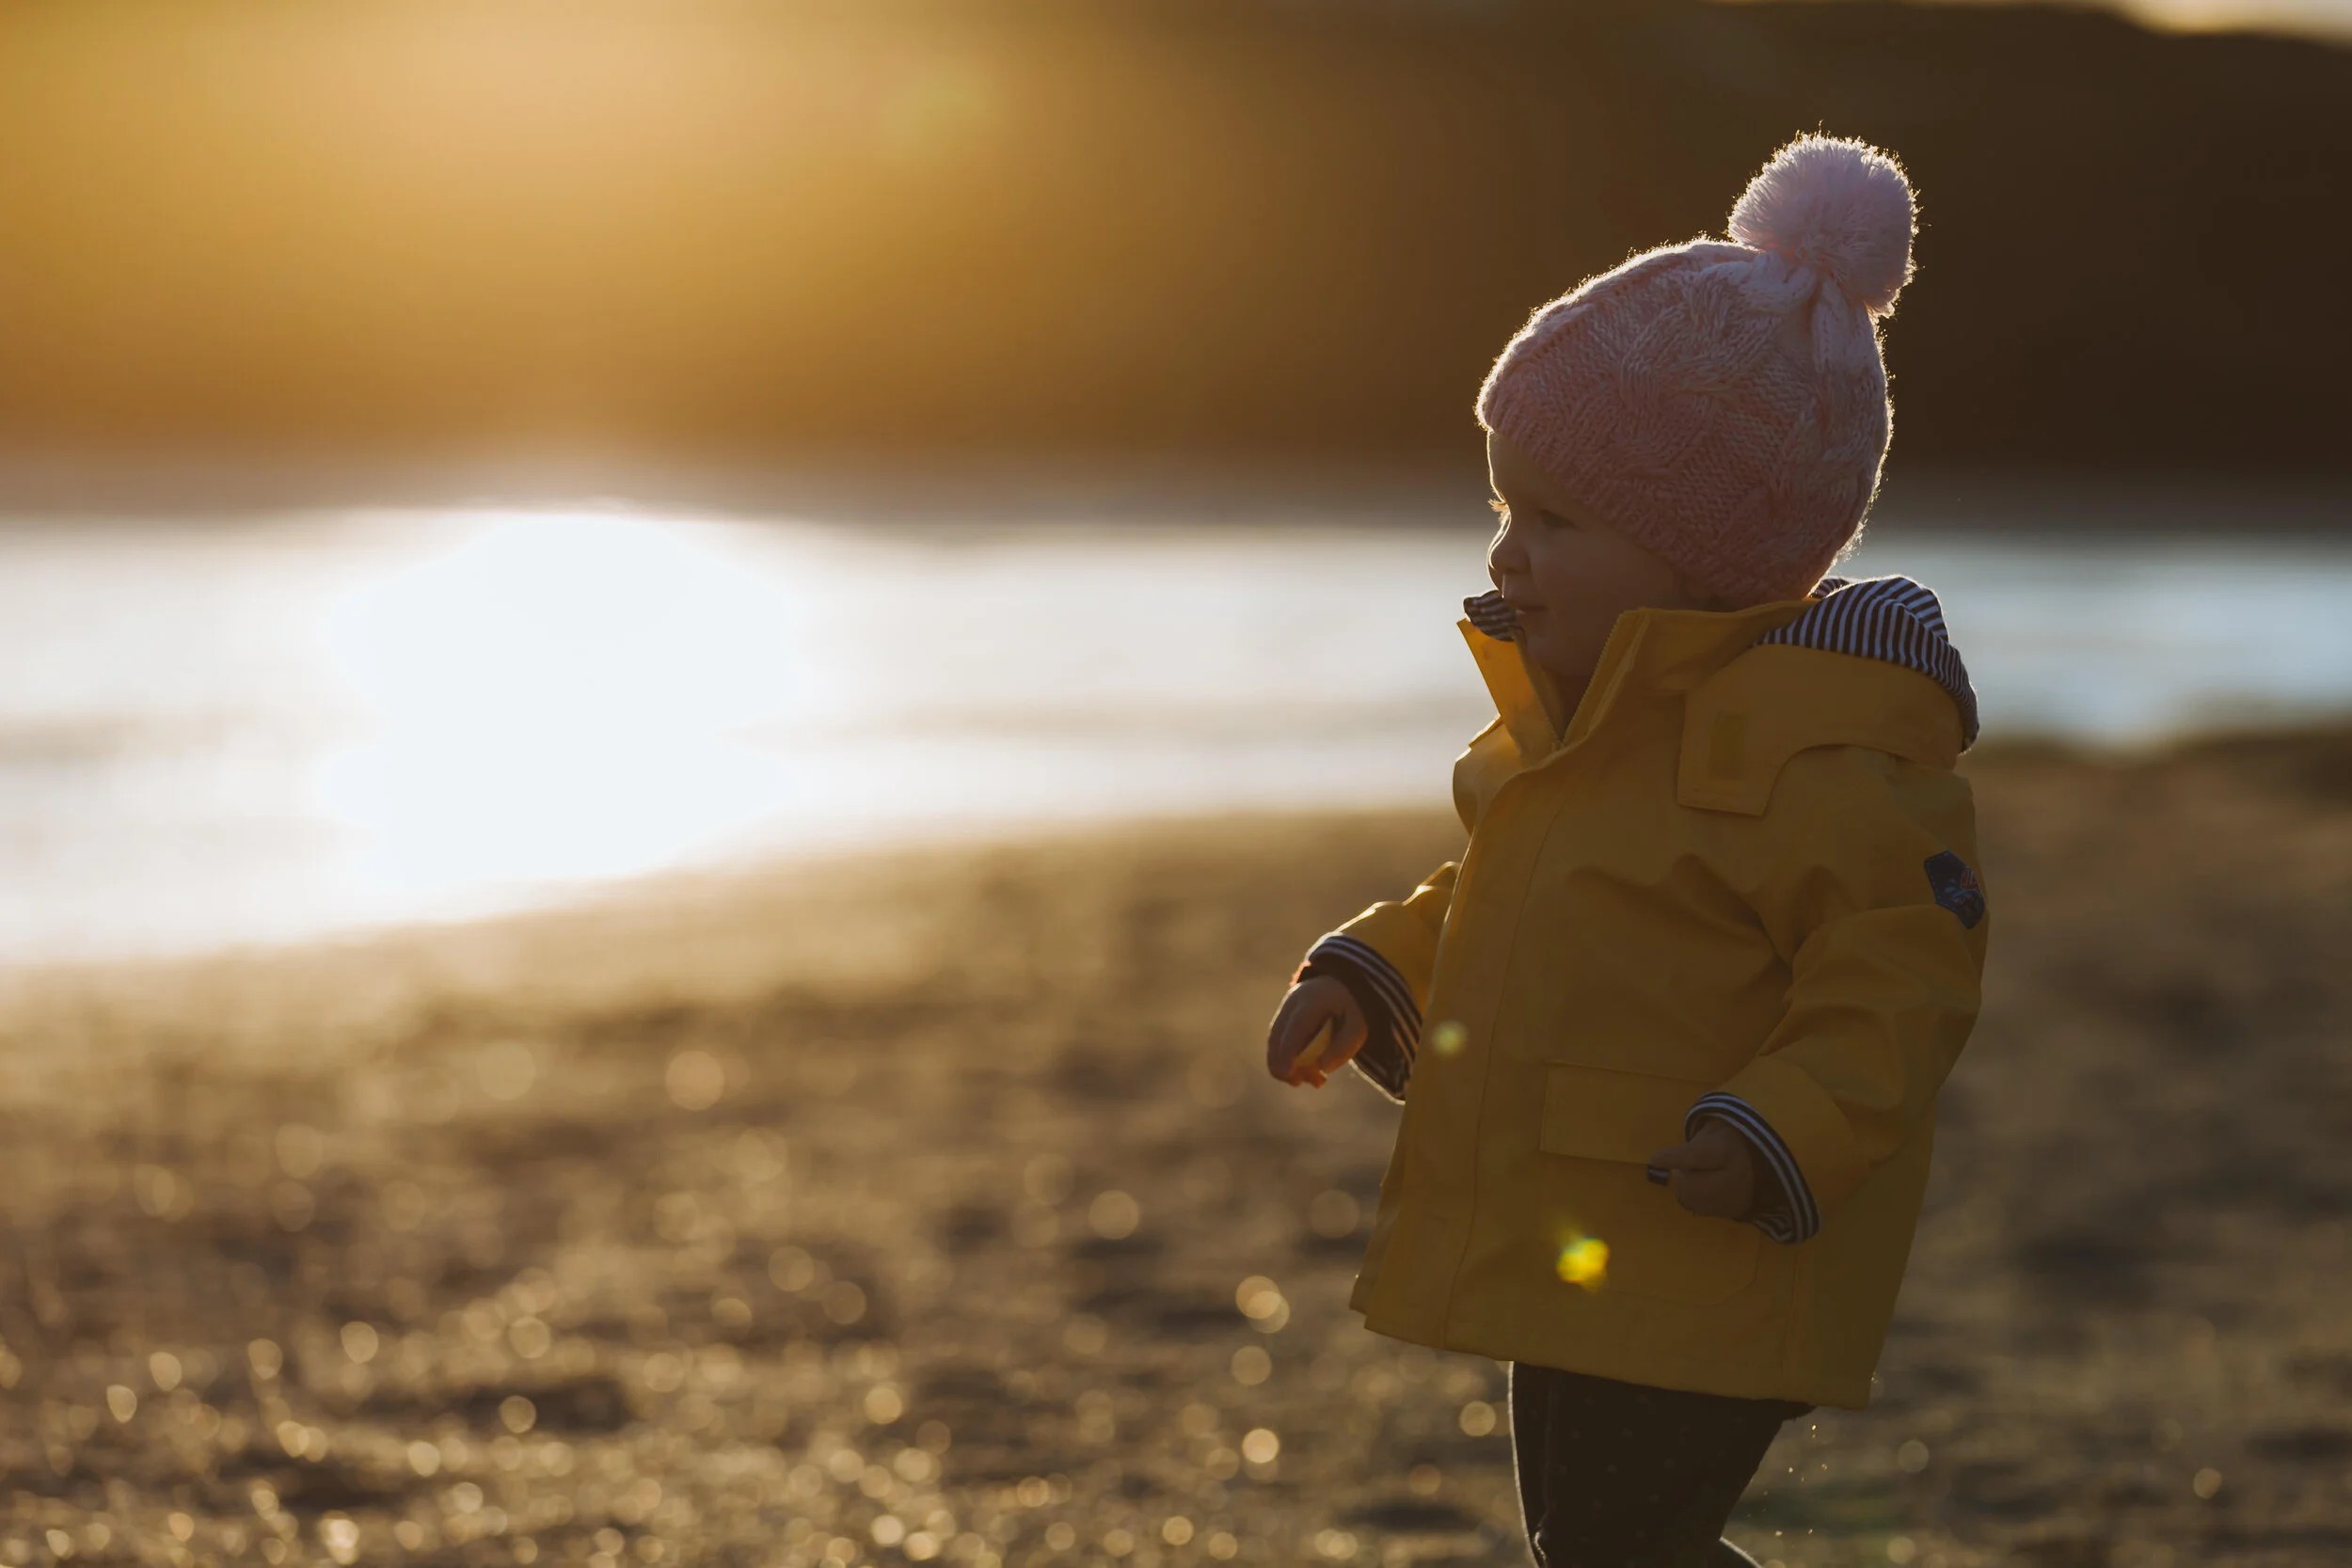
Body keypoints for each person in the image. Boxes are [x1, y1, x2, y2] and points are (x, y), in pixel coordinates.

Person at [1263, 135, 1989, 1567]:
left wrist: (1778, 1123)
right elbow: (1501, 899)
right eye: (1500, 510)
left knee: (1612, 1543)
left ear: (1701, 551)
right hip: (1587, 1220)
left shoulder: (1823, 748)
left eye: (1555, 518)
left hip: (1720, 1230)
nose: (1509, 554)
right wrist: (1379, 969)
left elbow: (1901, 977)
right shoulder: (1586, 735)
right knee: (1595, 1543)